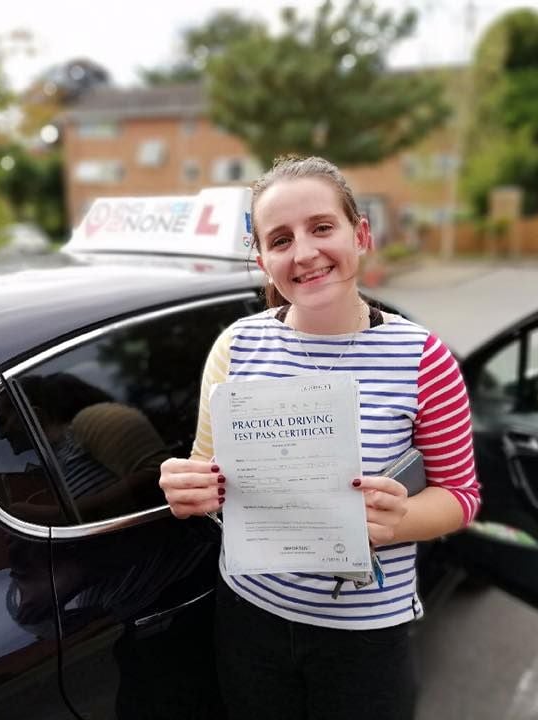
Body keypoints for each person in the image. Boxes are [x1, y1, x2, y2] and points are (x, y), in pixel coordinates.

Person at [158, 155, 480, 719]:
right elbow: (208, 472)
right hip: (250, 615)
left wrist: (400, 520)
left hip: (365, 636)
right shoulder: (236, 346)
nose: (304, 253)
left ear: (360, 235)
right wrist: (191, 489)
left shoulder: (423, 359)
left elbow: (461, 495)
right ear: (263, 259)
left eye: (321, 228)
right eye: (280, 239)